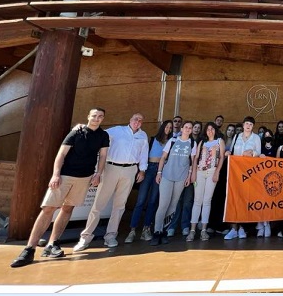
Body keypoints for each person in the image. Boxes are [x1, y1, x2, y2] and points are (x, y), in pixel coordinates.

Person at [10, 108, 109, 268]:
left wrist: (98, 173)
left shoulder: (103, 136)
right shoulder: (76, 132)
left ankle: (52, 244)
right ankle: (29, 248)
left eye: (100, 117)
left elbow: (103, 155)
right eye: (94, 116)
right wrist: (56, 174)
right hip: (65, 175)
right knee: (48, 209)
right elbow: (61, 154)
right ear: (88, 116)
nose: (97, 119)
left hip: (84, 177)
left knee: (67, 209)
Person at [73, 113, 148, 251]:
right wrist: (83, 127)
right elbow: (98, 133)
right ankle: (86, 236)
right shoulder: (117, 130)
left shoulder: (143, 136)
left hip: (130, 170)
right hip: (111, 168)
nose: (137, 122)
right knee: (99, 204)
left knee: (120, 205)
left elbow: (144, 154)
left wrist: (142, 170)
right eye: (135, 119)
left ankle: (111, 236)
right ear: (130, 120)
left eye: (140, 120)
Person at [125, 120, 172, 243]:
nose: (168, 129)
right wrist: (142, 170)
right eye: (166, 126)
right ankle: (132, 230)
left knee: (153, 201)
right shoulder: (152, 139)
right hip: (149, 168)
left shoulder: (172, 142)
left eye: (170, 127)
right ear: (162, 127)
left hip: (161, 170)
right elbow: (144, 155)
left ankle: (146, 229)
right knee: (140, 200)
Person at [150, 120, 197, 245]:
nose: (187, 129)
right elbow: (163, 157)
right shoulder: (173, 141)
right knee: (163, 204)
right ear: (181, 128)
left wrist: (189, 177)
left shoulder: (192, 143)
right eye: (186, 127)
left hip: (181, 177)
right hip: (167, 175)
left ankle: (164, 231)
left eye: (190, 128)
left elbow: (192, 162)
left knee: (173, 205)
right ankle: (157, 232)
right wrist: (159, 173)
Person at [225, 116, 262, 240]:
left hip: (249, 173)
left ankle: (242, 228)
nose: (248, 126)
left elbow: (259, 154)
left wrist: (252, 154)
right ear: (243, 124)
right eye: (246, 123)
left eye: (250, 124)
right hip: (235, 173)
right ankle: (233, 228)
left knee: (245, 199)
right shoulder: (237, 136)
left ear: (253, 127)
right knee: (234, 199)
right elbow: (232, 152)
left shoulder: (256, 138)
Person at [188, 122, 226, 242]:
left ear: (215, 130)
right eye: (208, 129)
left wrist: (217, 172)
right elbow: (196, 158)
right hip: (199, 172)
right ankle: (192, 230)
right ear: (205, 131)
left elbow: (221, 158)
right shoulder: (202, 142)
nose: (210, 131)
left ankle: (204, 229)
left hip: (211, 172)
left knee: (207, 201)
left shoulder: (220, 141)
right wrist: (193, 173)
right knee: (197, 200)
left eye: (212, 129)